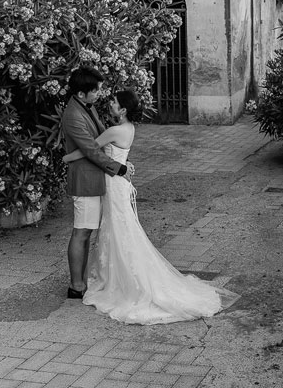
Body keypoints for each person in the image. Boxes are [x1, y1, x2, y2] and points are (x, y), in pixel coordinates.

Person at [63, 89, 239, 324]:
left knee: (118, 230)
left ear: (123, 110)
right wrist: (124, 164)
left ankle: (124, 281)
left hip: (114, 186)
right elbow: (119, 156)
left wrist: (65, 158)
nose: (110, 104)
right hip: (117, 183)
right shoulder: (130, 129)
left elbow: (90, 150)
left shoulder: (114, 130)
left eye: (114, 102)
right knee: (119, 230)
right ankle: (119, 276)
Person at [62, 67, 134, 300]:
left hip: (97, 178)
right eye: (96, 91)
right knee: (81, 232)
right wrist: (118, 167)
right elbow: (91, 149)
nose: (99, 95)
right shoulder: (73, 115)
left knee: (88, 231)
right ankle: (76, 286)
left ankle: (81, 281)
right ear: (81, 94)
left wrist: (121, 157)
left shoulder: (87, 106)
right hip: (85, 180)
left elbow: (103, 139)